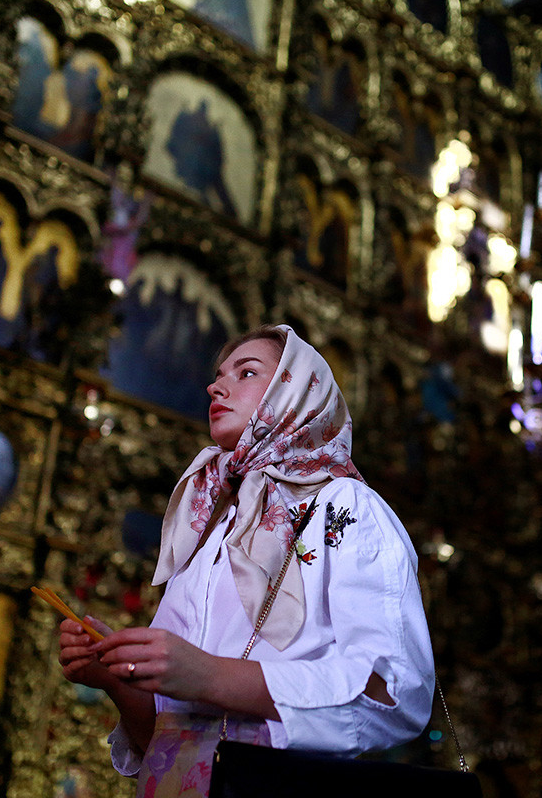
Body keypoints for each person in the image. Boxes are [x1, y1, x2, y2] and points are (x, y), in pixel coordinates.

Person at [58, 324, 435, 797]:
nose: (216, 386)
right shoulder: (208, 519)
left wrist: (210, 675)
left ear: (295, 391)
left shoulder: (346, 507)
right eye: (219, 376)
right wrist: (116, 680)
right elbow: (164, 742)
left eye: (247, 371)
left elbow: (395, 692)